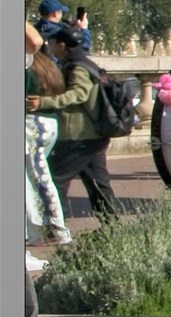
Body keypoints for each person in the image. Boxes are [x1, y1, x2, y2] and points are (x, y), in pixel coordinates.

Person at [34, 27, 120, 224]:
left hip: (78, 135)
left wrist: (43, 103)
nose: (51, 46)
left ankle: (53, 225)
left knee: (55, 181)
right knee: (98, 183)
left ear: (62, 45)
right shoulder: (82, 62)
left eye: (53, 42)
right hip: (92, 135)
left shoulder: (77, 66)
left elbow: (78, 94)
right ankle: (111, 225)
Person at [24, 21, 67, 248]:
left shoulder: (27, 60)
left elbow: (34, 40)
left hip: (30, 125)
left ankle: (53, 230)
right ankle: (38, 231)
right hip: (47, 123)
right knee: (32, 179)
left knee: (37, 178)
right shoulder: (45, 64)